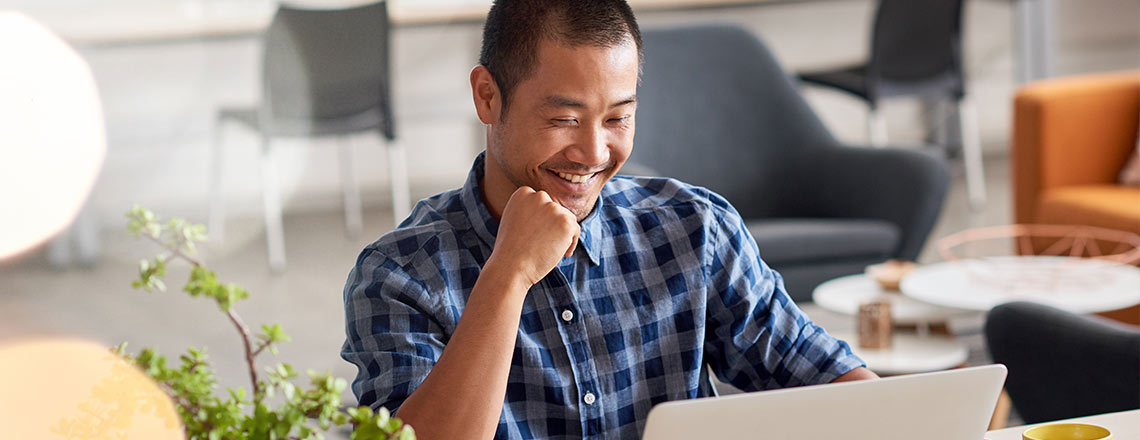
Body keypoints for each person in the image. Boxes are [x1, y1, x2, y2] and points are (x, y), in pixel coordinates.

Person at [341, 1, 877, 438]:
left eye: (619, 117)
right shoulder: (399, 276)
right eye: (564, 119)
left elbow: (823, 374)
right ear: (487, 96)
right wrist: (508, 274)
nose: (593, 151)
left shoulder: (694, 229)